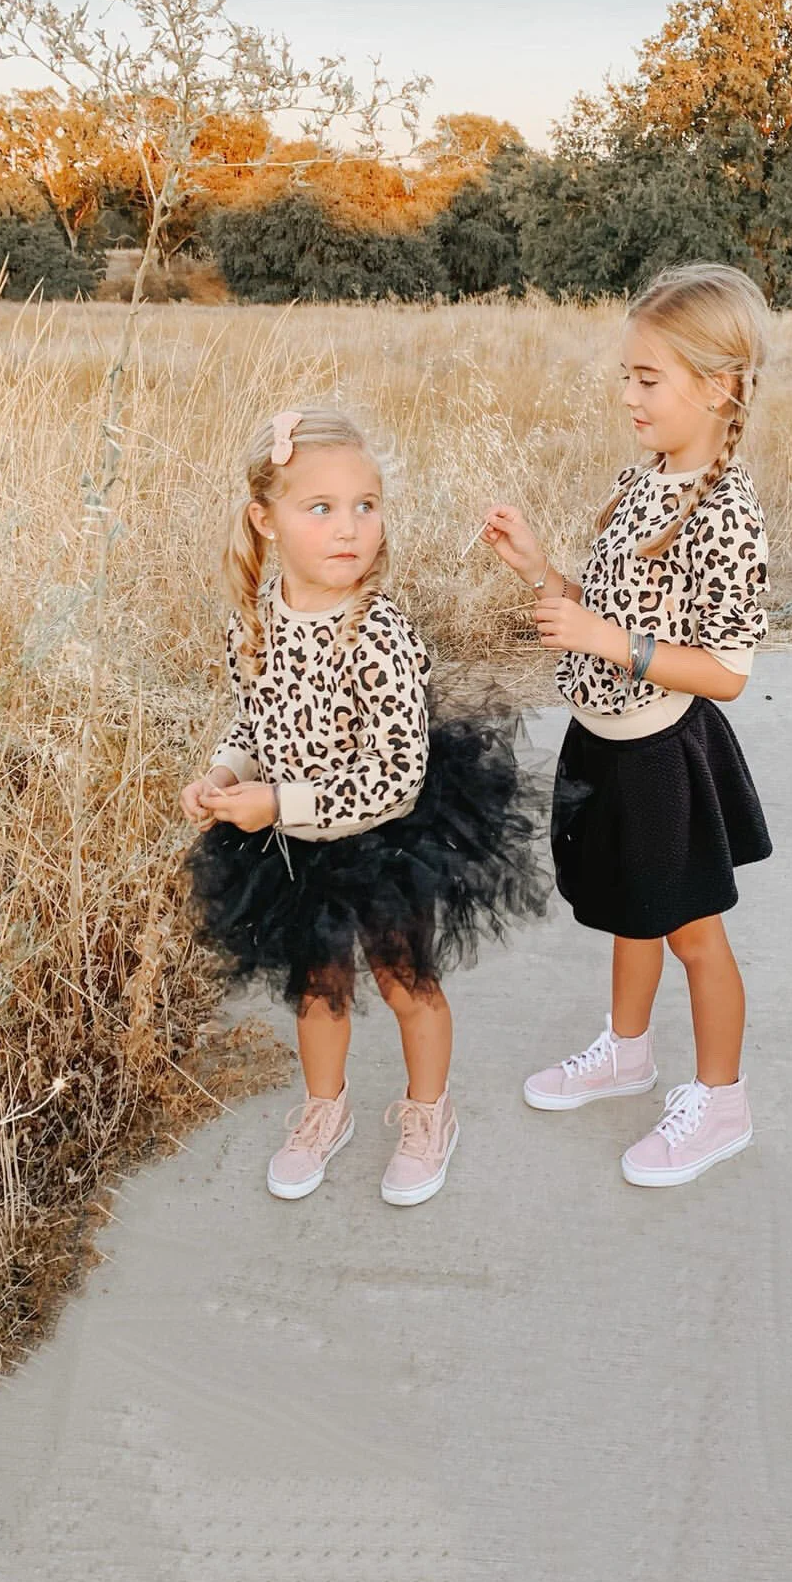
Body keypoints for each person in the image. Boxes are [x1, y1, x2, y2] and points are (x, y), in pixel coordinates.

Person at [182, 406, 547, 1207]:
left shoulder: (377, 633)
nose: (349, 528)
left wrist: (276, 800)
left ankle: (428, 1113)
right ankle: (325, 1109)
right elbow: (254, 715)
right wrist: (223, 771)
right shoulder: (255, 619)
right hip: (289, 836)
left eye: (365, 505)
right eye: (320, 507)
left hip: (385, 835)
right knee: (318, 984)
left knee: (404, 977)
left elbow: (394, 780)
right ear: (265, 520)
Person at [483, 262, 773, 1188]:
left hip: (662, 748)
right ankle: (627, 1051)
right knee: (629, 906)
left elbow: (726, 671)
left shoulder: (728, 513)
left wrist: (608, 638)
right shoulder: (640, 480)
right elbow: (596, 610)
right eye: (627, 376)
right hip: (601, 736)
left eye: (647, 378)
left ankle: (722, 1101)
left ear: (717, 386)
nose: (628, 394)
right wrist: (540, 570)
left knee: (691, 930)